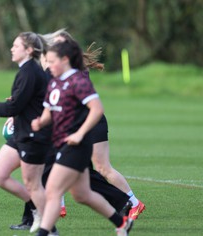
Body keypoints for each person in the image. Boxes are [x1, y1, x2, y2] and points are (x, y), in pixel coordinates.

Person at [31, 40, 133, 236]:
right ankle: (121, 222)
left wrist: (79, 133)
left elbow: (97, 109)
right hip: (60, 143)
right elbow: (49, 112)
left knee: (52, 190)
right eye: (47, 61)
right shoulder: (55, 81)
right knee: (82, 195)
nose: (48, 65)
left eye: (52, 61)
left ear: (65, 59)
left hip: (77, 145)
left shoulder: (78, 81)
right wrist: (39, 122)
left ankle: (45, 233)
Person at [45, 29, 145, 220]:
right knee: (63, 161)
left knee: (103, 168)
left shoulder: (76, 69)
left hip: (92, 123)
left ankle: (134, 203)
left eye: (58, 43)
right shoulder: (61, 67)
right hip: (74, 125)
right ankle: (59, 204)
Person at [0, 32, 54, 234]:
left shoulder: (30, 72)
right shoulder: (26, 70)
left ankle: (50, 229)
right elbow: (21, 103)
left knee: (34, 185)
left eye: (16, 45)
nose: (11, 48)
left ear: (28, 50)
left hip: (34, 136)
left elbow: (15, 107)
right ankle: (35, 208)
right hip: (21, 134)